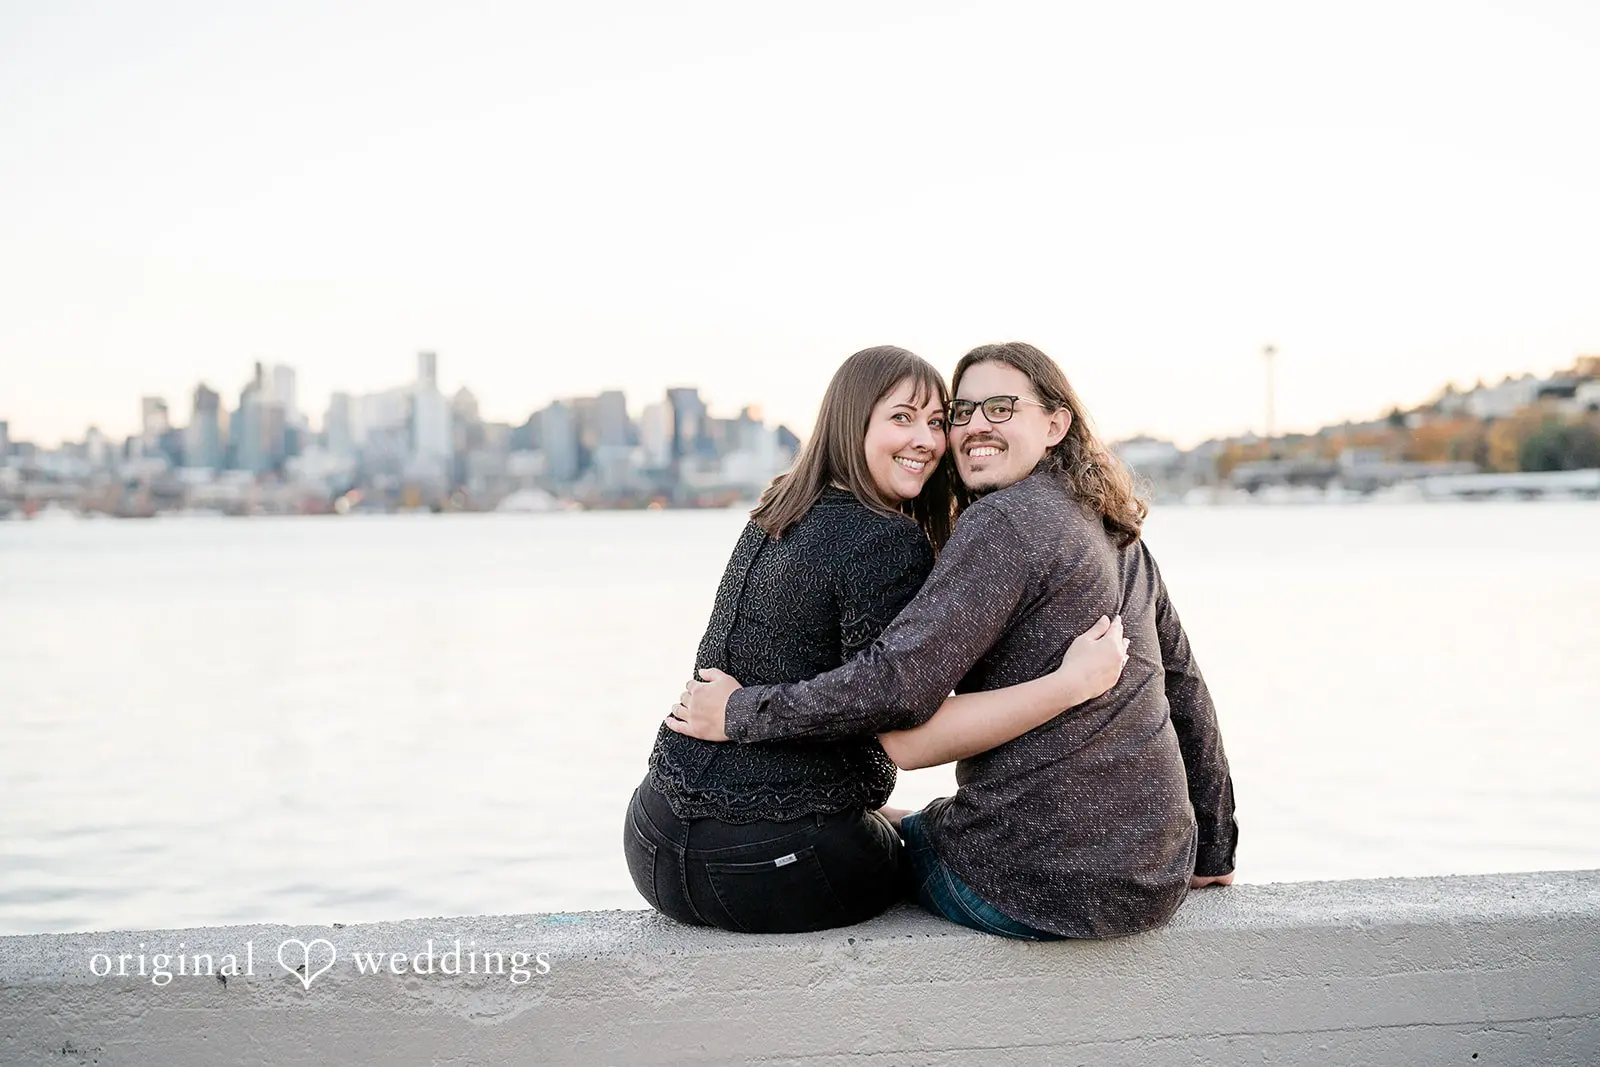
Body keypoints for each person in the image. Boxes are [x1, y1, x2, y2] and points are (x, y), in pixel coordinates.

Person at [670, 341, 1238, 941]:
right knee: (894, 822)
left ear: (1055, 423)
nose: (972, 428)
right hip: (1151, 875)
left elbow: (894, 691)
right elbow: (1183, 682)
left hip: (1029, 881)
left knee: (880, 843)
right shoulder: (1115, 529)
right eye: (961, 413)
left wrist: (740, 712)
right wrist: (1215, 846)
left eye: (999, 408)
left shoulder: (1004, 520)